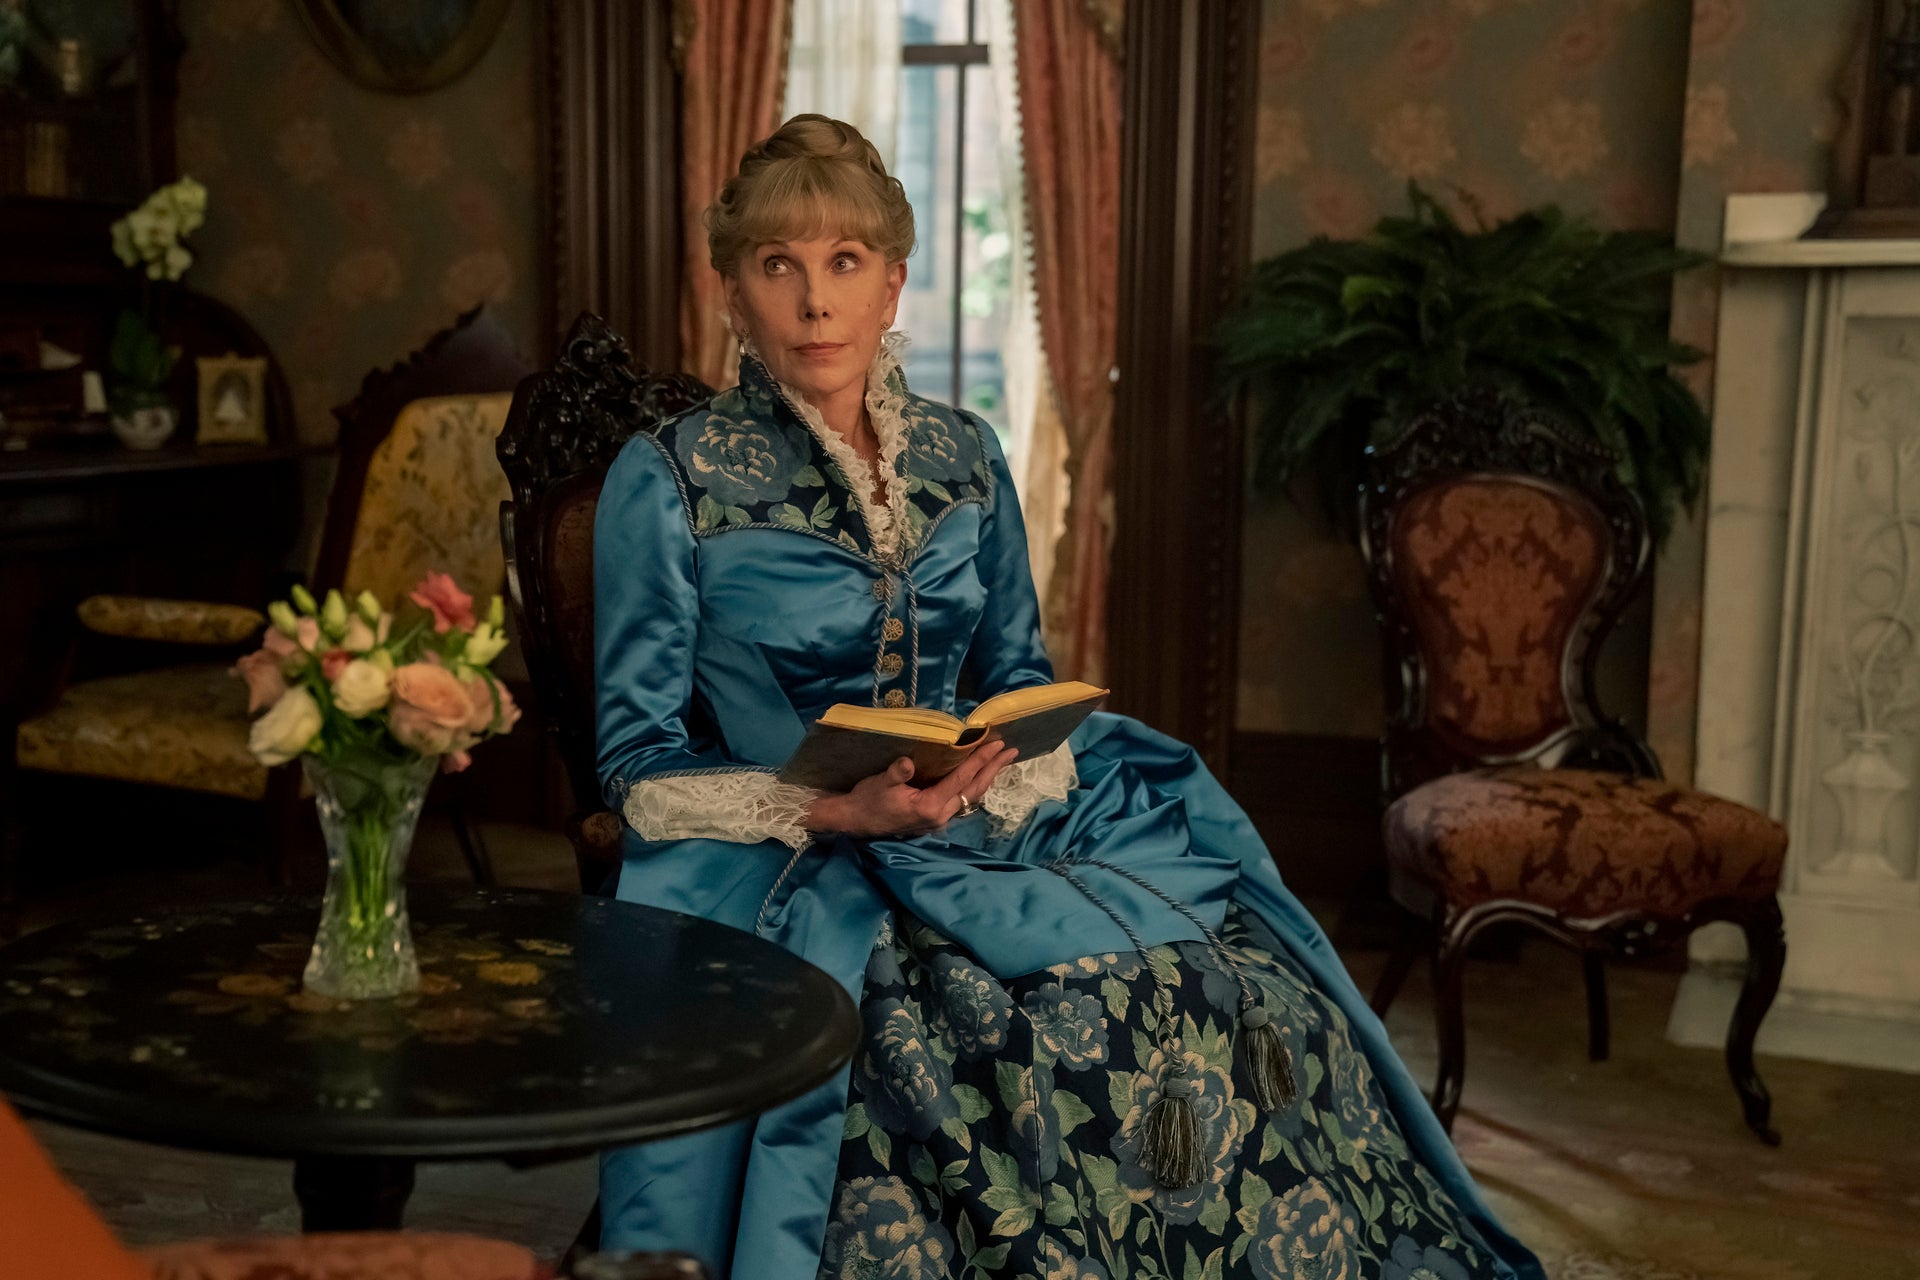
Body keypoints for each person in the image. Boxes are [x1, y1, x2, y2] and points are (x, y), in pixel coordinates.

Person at [593, 114, 1542, 1280]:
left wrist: (1003, 757)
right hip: (790, 851)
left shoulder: (965, 451)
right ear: (732, 288)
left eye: (845, 263)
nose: (814, 302)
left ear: (895, 284)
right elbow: (634, 760)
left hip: (980, 811)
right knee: (974, 1025)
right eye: (778, 265)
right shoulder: (669, 475)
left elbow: (1016, 669)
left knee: (1218, 968)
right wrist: (839, 812)